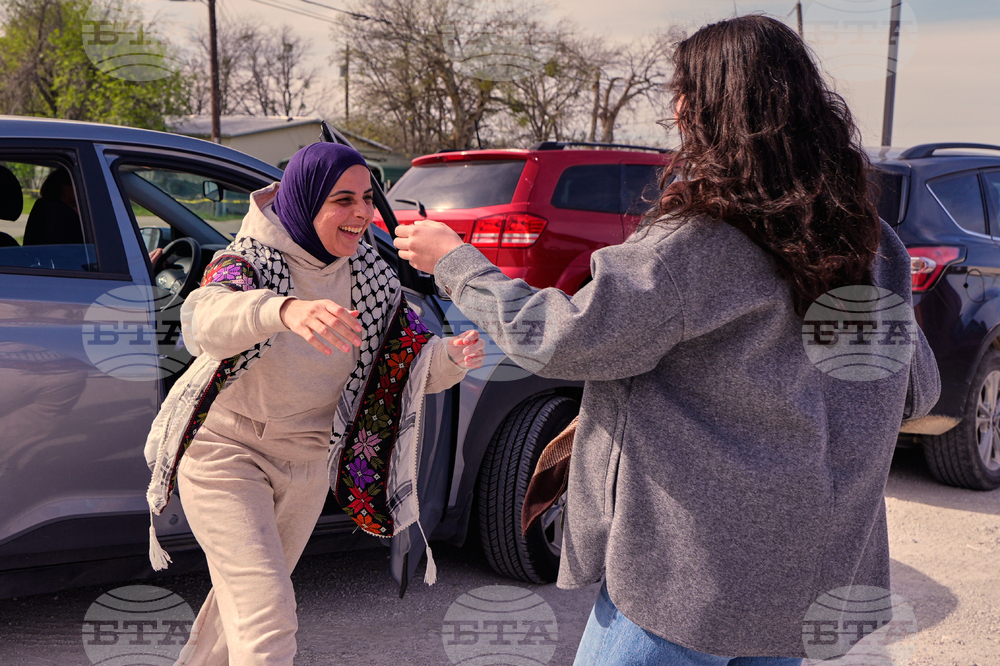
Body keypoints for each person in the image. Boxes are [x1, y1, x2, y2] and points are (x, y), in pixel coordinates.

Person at [394, 15, 941, 666]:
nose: (674, 107)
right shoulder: (872, 243)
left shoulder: (695, 245)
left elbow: (560, 340)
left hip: (690, 580)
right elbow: (914, 390)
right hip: (806, 580)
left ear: (709, 110)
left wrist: (455, 261)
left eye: (682, 91)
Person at [144, 142, 485, 666]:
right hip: (223, 457)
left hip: (305, 466)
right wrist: (282, 310)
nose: (361, 214)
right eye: (342, 200)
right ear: (304, 203)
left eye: (368, 198)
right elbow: (200, 322)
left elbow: (404, 369)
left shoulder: (371, 277)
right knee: (268, 619)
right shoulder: (249, 260)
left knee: (244, 613)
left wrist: (451, 357)